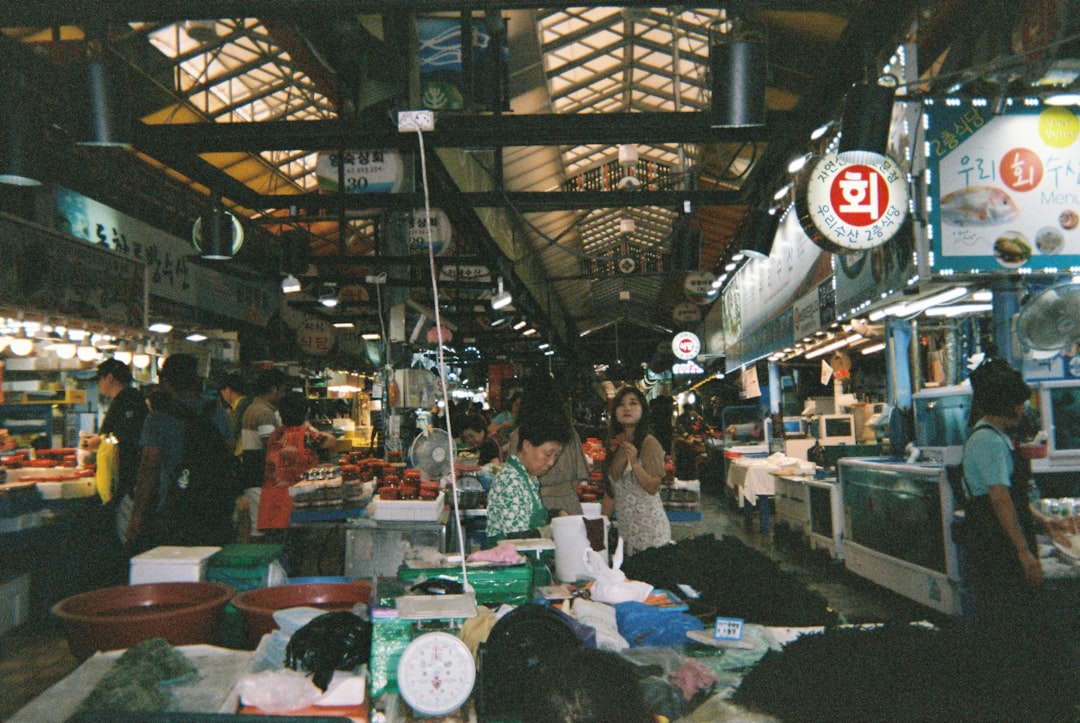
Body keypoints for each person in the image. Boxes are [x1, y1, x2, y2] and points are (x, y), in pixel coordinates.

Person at [958, 359, 1043, 653]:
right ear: (1006, 405)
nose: (1023, 409)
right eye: (1019, 403)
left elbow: (1012, 497)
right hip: (996, 543)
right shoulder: (989, 441)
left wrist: (1043, 520)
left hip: (997, 536)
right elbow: (1000, 499)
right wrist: (1023, 553)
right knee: (1005, 618)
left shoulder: (996, 437)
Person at [126, 353, 234, 549]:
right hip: (214, 504)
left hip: (176, 505)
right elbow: (229, 450)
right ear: (196, 379)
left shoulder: (157, 419)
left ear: (166, 382)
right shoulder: (217, 413)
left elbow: (149, 466)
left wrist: (137, 513)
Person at [485, 397, 572, 544]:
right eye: (548, 454)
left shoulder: (528, 477)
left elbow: (527, 514)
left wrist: (555, 515)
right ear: (527, 446)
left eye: (556, 456)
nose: (551, 462)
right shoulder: (511, 481)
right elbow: (516, 539)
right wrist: (552, 530)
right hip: (509, 557)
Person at [602, 386, 671, 556]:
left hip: (651, 534)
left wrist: (634, 462)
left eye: (633, 403)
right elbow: (611, 491)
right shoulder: (616, 444)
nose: (626, 408)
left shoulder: (649, 443)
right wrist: (601, 524)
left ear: (642, 410)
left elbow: (653, 487)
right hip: (627, 534)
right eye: (621, 404)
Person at [85, 359, 148, 540]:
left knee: (126, 533)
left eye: (100, 379)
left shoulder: (123, 400)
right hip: (133, 478)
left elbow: (116, 440)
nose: (99, 384)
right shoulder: (134, 397)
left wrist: (95, 443)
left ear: (110, 378)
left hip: (127, 480)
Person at [257, 391, 334, 531]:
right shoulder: (306, 434)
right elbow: (330, 441)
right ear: (306, 412)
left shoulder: (275, 435)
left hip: (272, 503)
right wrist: (308, 425)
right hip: (296, 503)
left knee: (277, 541)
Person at [508, 384, 586, 517]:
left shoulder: (520, 434)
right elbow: (579, 476)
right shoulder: (568, 433)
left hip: (534, 506)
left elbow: (514, 473)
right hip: (568, 505)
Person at [240, 367, 288, 540]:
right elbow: (271, 445)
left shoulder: (253, 408)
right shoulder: (264, 413)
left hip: (254, 477)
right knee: (263, 531)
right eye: (282, 391)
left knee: (259, 529)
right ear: (274, 390)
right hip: (260, 478)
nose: (282, 395)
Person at [219, 371, 251, 456]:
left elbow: (232, 432)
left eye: (222, 392)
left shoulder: (241, 406)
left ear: (228, 390)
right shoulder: (244, 403)